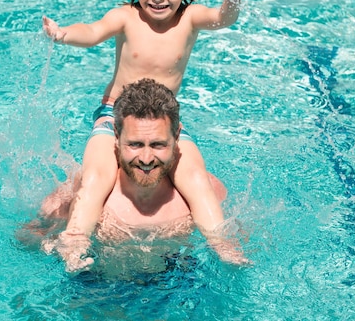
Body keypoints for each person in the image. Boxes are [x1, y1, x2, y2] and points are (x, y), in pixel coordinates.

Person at [42, 0, 244, 271]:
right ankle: (75, 240)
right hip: (115, 115)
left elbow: (225, 18)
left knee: (195, 175)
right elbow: (92, 32)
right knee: (96, 174)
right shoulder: (125, 17)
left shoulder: (190, 19)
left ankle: (222, 243)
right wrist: (64, 34)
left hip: (163, 118)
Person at [21, 79, 249, 272]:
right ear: (116, 136)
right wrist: (51, 245)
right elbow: (25, 237)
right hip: (99, 284)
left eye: (158, 144)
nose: (147, 159)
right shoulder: (76, 197)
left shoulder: (208, 192)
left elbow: (245, 237)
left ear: (177, 137)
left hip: (174, 281)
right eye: (135, 144)